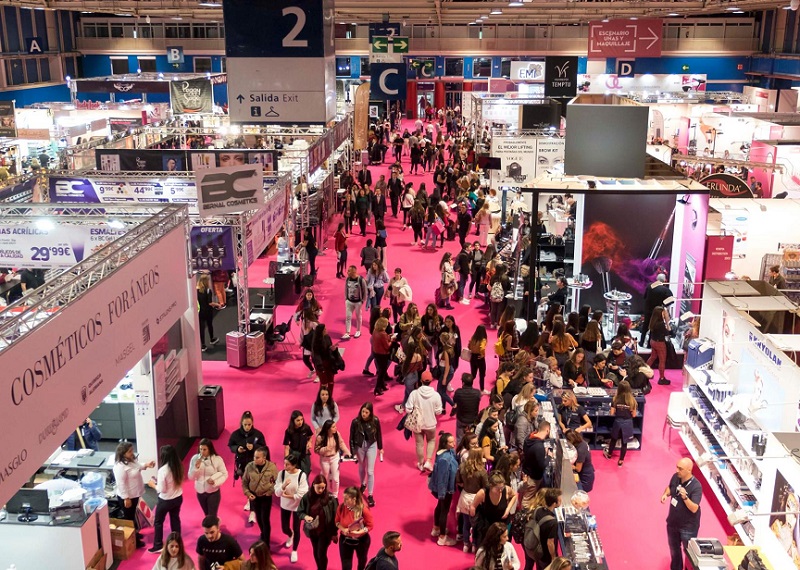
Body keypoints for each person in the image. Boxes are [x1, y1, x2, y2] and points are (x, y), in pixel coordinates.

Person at [661, 457, 702, 570]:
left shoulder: (696, 486)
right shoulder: (676, 477)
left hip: (687, 527)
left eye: (680, 468)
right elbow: (670, 488)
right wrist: (666, 494)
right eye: (677, 467)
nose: (677, 470)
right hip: (672, 523)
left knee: (689, 553)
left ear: (689, 470)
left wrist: (685, 497)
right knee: (674, 549)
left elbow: (694, 508)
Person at [113, 442, 156, 549]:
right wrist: (126, 498)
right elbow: (121, 483)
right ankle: (134, 541)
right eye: (129, 451)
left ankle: (135, 534)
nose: (132, 453)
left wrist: (146, 465)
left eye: (132, 450)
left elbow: (138, 467)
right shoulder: (120, 467)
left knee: (132, 516)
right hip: (128, 497)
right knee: (129, 519)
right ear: (123, 453)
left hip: (135, 494)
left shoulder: (131, 461)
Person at [228, 410, 266, 523]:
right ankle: (250, 501)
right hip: (242, 465)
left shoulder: (258, 434)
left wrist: (254, 447)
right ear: (241, 423)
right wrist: (237, 449)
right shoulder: (235, 434)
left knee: (252, 486)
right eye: (245, 425)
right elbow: (231, 445)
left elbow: (264, 447)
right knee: (247, 485)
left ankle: (253, 512)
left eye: (249, 424)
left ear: (252, 423)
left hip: (255, 465)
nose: (247, 427)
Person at [147, 445, 184, 553]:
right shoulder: (178, 466)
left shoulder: (163, 470)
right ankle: (177, 542)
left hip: (165, 500)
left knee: (158, 522)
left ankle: (158, 545)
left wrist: (152, 485)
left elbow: (162, 489)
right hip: (178, 497)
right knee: (175, 519)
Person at [298, 474, 339, 570]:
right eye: (318, 488)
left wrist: (334, 533)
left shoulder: (330, 499)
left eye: (323, 488)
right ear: (313, 485)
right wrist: (305, 516)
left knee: (321, 552)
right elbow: (300, 512)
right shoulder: (307, 497)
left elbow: (335, 517)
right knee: (316, 552)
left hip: (325, 532)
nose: (321, 490)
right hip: (312, 531)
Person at [406, 370, 443, 471]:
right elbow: (439, 411)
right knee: (431, 441)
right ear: (431, 381)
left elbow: (408, 409)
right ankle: (428, 461)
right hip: (431, 424)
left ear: (421, 380)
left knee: (419, 444)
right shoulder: (436, 395)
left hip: (418, 424)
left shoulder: (414, 393)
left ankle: (421, 463)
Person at [275, 452, 309, 563]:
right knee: (284, 528)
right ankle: (290, 535)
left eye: (288, 465)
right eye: (284, 464)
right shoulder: (282, 474)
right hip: (285, 506)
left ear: (294, 465)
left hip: (297, 507)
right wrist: (283, 486)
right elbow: (277, 493)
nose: (285, 467)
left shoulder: (301, 475)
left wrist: (288, 496)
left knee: (296, 528)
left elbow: (302, 494)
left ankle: (294, 550)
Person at [470, 472, 517, 550]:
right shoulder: (483, 493)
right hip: (487, 524)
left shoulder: (507, 489)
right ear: (491, 486)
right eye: (498, 489)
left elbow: (514, 495)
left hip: (502, 522)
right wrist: (473, 521)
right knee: (486, 547)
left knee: (503, 547)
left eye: (502, 488)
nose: (500, 491)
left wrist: (508, 509)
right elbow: (473, 506)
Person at [240, 444, 278, 543]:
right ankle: (263, 534)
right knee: (259, 519)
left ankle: (266, 542)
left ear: (264, 458)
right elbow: (244, 482)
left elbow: (277, 482)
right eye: (254, 457)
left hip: (266, 497)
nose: (254, 459)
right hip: (254, 497)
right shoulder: (249, 466)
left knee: (265, 519)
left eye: (257, 457)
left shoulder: (272, 467)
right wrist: (248, 493)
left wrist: (270, 492)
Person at [349, 402, 384, 508]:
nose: (364, 414)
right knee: (361, 467)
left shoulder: (375, 420)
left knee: (370, 471)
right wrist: (352, 451)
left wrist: (380, 448)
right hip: (359, 446)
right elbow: (351, 437)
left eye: (366, 412)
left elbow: (378, 434)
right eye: (363, 411)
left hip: (371, 445)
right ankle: (363, 484)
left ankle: (370, 495)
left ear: (370, 413)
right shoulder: (355, 422)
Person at [429, 431, 459, 546]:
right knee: (444, 510)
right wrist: (442, 493)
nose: (454, 444)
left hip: (447, 487)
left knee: (440, 507)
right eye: (451, 442)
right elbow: (442, 478)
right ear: (444, 444)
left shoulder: (448, 452)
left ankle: (436, 528)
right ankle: (442, 537)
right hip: (446, 489)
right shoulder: (444, 459)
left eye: (453, 441)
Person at [457, 448, 488, 553]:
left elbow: (458, 480)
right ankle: (475, 544)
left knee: (466, 522)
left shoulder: (462, 467)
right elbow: (486, 486)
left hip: (465, 496)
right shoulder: (482, 471)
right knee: (476, 524)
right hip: (477, 499)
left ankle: (465, 544)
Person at [336, 487, 374, 570]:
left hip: (361, 541)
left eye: (346, 499)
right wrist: (343, 529)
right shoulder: (341, 507)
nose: (344, 501)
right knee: (346, 566)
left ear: (354, 499)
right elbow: (337, 522)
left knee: (361, 562)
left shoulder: (363, 509)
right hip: (345, 540)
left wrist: (359, 532)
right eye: (344, 498)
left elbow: (370, 525)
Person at [188, 439, 228, 518]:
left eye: (204, 449)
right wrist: (196, 468)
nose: (202, 452)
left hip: (213, 492)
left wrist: (215, 481)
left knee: (212, 516)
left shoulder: (217, 459)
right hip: (200, 492)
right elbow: (191, 477)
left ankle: (215, 527)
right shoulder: (194, 459)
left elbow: (224, 474)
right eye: (200, 449)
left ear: (210, 449)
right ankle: (213, 527)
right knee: (207, 515)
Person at [524, 488, 562, 570]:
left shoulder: (538, 510)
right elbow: (550, 543)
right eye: (559, 500)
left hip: (537, 549)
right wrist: (553, 557)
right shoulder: (553, 522)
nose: (561, 501)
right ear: (554, 503)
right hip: (545, 555)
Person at [604, 380, 638, 466]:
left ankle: (609, 454)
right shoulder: (632, 401)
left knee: (613, 440)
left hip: (617, 423)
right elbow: (634, 415)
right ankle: (621, 461)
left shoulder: (615, 399)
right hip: (628, 424)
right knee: (624, 443)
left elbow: (611, 413)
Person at [315, 420, 351, 497]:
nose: (336, 428)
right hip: (325, 459)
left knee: (335, 478)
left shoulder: (337, 434)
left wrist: (348, 452)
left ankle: (335, 494)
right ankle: (326, 493)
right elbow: (316, 450)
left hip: (335, 457)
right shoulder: (320, 437)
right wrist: (325, 449)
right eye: (333, 427)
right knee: (325, 477)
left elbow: (341, 443)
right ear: (328, 429)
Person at [521, 421, 551, 506]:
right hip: (533, 477)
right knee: (527, 499)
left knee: (525, 494)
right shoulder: (539, 447)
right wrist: (549, 456)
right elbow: (542, 466)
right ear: (547, 430)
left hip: (526, 471)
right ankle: (523, 517)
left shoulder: (529, 438)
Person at [641, 274, 673, 346]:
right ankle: (649, 344)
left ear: (656, 279)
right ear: (664, 280)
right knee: (653, 328)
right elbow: (671, 301)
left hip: (647, 309)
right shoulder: (665, 290)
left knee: (645, 325)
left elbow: (644, 297)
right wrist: (663, 304)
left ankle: (641, 342)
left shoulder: (649, 286)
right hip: (657, 312)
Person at [647, 305, 672, 385]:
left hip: (653, 341)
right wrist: (667, 323)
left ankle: (644, 371)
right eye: (664, 312)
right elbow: (668, 332)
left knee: (653, 357)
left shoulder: (653, 322)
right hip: (659, 343)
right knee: (662, 360)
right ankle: (661, 378)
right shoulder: (661, 324)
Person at [284, 410, 314, 475]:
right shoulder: (289, 431)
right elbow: (286, 446)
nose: (300, 422)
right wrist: (286, 460)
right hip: (294, 453)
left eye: (301, 419)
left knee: (306, 471)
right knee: (295, 472)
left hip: (305, 453)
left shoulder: (306, 428)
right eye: (298, 420)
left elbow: (310, 436)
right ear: (293, 421)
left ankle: (305, 484)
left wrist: (309, 442)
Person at [453, 373, 482, 442]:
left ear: (463, 382)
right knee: (472, 439)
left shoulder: (458, 392)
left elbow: (455, 400)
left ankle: (459, 451)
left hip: (461, 419)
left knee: (459, 438)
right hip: (473, 419)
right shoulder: (477, 392)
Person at [197, 273, 220, 352]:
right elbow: (210, 303)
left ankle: (203, 345)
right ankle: (212, 339)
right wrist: (217, 304)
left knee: (201, 328)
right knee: (210, 325)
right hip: (208, 311)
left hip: (200, 311)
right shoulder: (208, 291)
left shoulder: (197, 290)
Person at [343, 265, 368, 340]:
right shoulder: (347, 279)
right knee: (348, 317)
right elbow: (345, 289)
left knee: (358, 317)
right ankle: (347, 332)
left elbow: (365, 291)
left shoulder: (361, 280)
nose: (347, 272)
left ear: (354, 271)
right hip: (349, 301)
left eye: (349, 271)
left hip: (358, 302)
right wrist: (346, 299)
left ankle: (358, 331)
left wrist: (362, 301)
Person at [372, 317, 393, 395]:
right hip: (383, 355)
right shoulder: (383, 334)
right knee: (382, 372)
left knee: (381, 370)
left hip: (376, 353)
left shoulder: (375, 331)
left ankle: (382, 385)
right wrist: (391, 340)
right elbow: (387, 346)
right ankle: (377, 388)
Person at [467, 325, 489, 394]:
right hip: (479, 358)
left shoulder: (473, 338)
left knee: (473, 374)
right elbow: (482, 348)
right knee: (482, 374)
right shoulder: (483, 340)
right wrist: (482, 354)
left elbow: (469, 346)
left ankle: (467, 386)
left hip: (472, 357)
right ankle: (482, 389)